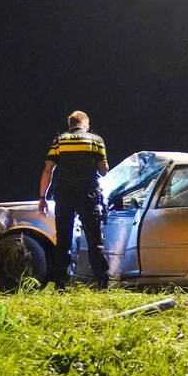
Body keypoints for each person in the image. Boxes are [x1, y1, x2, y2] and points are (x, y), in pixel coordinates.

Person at [38, 110, 110, 289]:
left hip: (64, 195)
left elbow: (48, 170)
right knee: (94, 239)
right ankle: (101, 283)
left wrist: (42, 197)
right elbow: (103, 170)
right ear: (85, 124)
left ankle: (61, 283)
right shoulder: (96, 140)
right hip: (88, 195)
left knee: (63, 239)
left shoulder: (59, 141)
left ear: (70, 125)